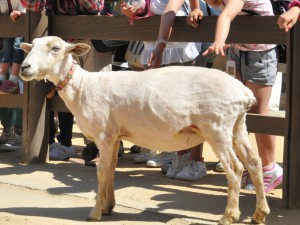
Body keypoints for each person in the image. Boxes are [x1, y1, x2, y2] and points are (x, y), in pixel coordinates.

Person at [186, 0, 283, 192]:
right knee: (238, 110)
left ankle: (269, 168)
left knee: (258, 111)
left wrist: (219, 40)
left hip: (260, 53)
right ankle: (247, 164)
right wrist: (196, 8)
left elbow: (226, 15)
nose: (210, 2)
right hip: (237, 50)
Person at [21, 0, 113, 163]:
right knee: (66, 89)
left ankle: (102, 146)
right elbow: (33, 6)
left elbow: (94, 6)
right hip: (64, 41)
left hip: (93, 37)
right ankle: (77, 143)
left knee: (98, 91)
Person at [0, 0, 25, 151]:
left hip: (24, 43)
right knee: (3, 89)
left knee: (21, 87)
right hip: (5, 43)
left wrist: (20, 13)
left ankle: (20, 132)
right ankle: (8, 129)